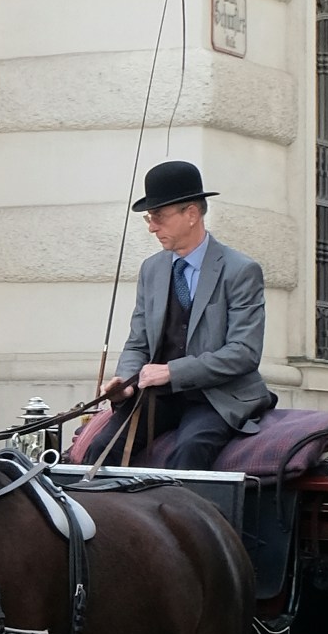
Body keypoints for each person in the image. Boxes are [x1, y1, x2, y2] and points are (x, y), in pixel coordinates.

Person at [83, 159, 272, 470]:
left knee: (190, 449)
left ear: (192, 214)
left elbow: (244, 353)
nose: (152, 227)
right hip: (158, 397)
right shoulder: (151, 269)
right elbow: (137, 342)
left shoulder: (240, 271)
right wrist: (126, 382)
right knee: (102, 447)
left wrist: (171, 371)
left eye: (158, 217)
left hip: (217, 397)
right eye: (149, 218)